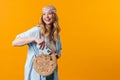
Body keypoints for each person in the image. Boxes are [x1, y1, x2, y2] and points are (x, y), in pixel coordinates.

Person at [12, 5, 62, 80]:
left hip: (50, 69)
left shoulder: (56, 34)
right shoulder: (36, 31)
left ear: (54, 16)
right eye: (44, 14)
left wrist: (56, 55)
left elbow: (58, 52)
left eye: (49, 13)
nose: (46, 16)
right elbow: (15, 42)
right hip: (36, 70)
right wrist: (34, 39)